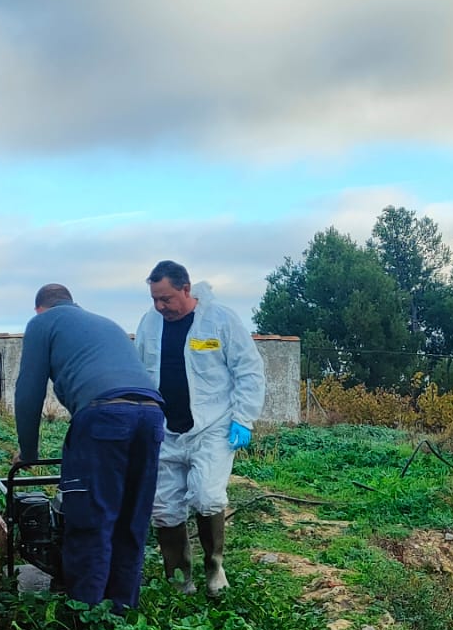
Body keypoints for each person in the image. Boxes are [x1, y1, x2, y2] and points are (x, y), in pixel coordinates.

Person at [14, 284, 167, 612]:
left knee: (91, 518)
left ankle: (86, 617)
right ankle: (122, 611)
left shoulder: (42, 323)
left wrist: (28, 453)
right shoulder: (105, 323)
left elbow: (29, 391)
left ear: (40, 308)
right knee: (131, 518)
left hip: (104, 416)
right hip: (152, 415)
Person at [135, 261, 265, 596]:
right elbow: (140, 372)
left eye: (166, 299)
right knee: (163, 507)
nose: (160, 306)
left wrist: (243, 417)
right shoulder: (150, 324)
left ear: (186, 289)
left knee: (207, 496)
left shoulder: (220, 320)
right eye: (155, 299)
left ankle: (214, 568)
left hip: (212, 426)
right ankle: (180, 581)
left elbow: (248, 369)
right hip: (165, 429)